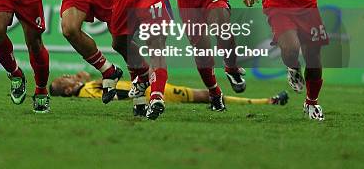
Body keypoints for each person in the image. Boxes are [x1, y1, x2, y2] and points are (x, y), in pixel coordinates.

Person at [49, 71, 289, 112]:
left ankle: (266, 101)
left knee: (204, 95)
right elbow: (119, 95)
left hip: (148, 89)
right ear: (69, 90)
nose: (70, 76)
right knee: (205, 95)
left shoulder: (86, 89)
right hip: (152, 90)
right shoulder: (87, 91)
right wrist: (139, 97)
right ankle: (266, 101)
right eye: (66, 79)